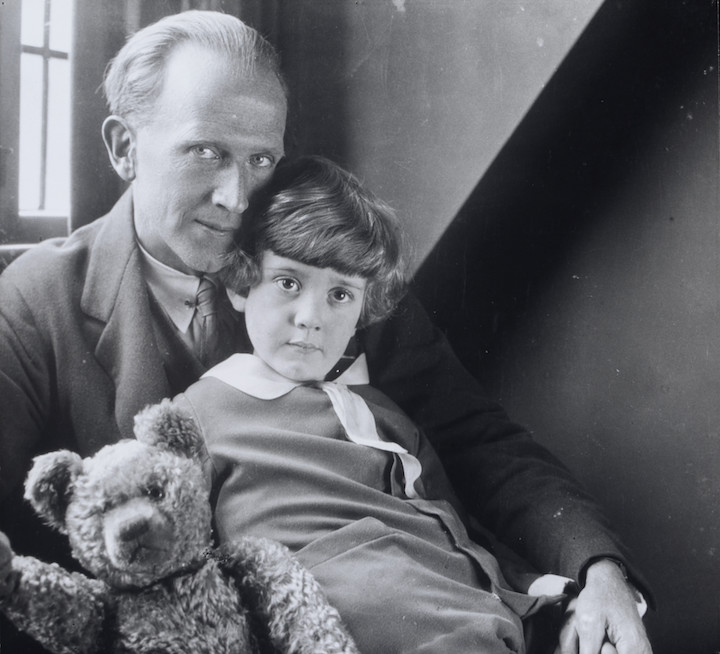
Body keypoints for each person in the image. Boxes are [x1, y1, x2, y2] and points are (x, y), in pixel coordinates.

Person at [0, 10, 651, 654]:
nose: (237, 195)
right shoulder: (32, 304)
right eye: (204, 152)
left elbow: (478, 441)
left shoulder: (327, 266)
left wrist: (601, 573)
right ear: (123, 148)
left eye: (261, 158)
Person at [171, 154, 598, 652]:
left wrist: (526, 584)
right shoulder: (199, 412)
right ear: (242, 286)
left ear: (362, 312)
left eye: (340, 296)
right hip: (330, 617)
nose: (310, 317)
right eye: (289, 283)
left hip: (457, 615)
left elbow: (452, 529)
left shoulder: (381, 412)